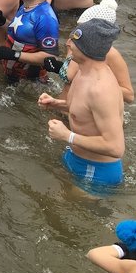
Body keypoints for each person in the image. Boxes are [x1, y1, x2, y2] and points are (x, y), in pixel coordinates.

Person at [38, 18, 124, 190]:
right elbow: (82, 109)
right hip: (75, 155)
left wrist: (67, 136)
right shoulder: (83, 72)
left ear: (87, 49)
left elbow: (116, 147)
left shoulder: (101, 90)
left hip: (96, 171)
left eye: (74, 41)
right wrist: (56, 103)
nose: (68, 43)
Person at [44, 0, 133, 103]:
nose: (70, 40)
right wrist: (58, 67)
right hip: (63, 106)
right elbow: (70, 75)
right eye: (79, 28)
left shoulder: (110, 53)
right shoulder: (75, 43)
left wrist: (96, 86)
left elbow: (129, 96)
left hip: (88, 114)